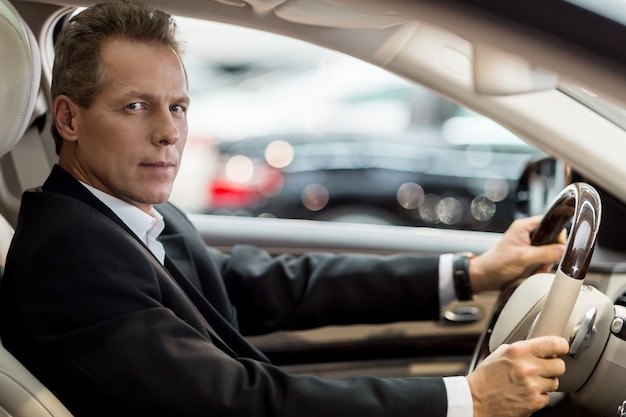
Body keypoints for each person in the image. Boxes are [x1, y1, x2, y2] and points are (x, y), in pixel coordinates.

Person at [0, 2, 569, 417]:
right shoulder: (67, 256)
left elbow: (263, 285)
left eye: (178, 106)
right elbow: (231, 403)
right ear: (70, 120)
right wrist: (466, 398)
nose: (169, 132)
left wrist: (472, 272)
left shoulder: (124, 214)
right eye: (135, 106)